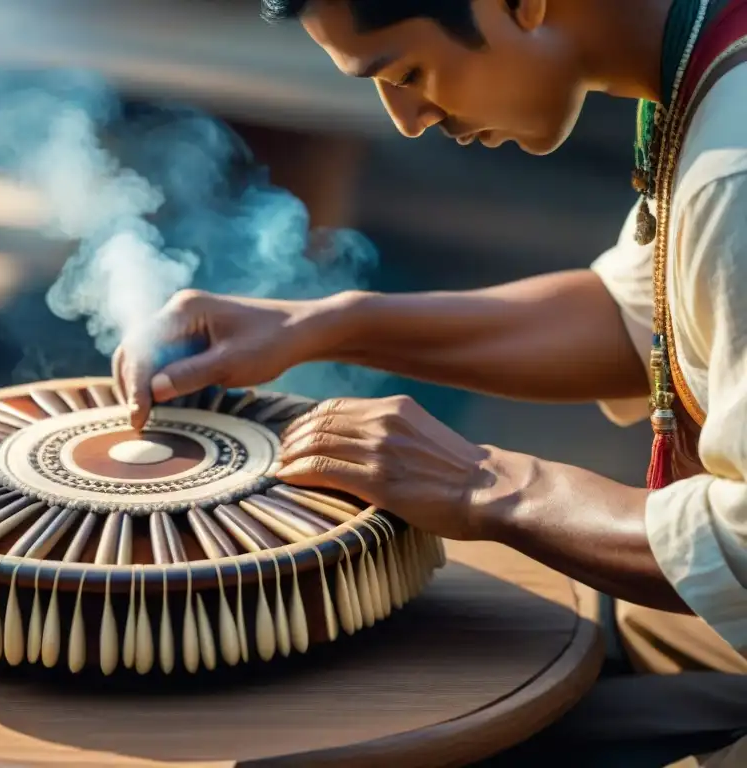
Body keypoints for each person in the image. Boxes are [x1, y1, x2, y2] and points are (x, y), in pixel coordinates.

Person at [112, 0, 747, 764]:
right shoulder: (701, 74)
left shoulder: (734, 167)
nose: (408, 119)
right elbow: (640, 317)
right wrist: (323, 323)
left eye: (408, 73)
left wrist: (486, 485)